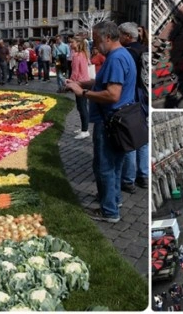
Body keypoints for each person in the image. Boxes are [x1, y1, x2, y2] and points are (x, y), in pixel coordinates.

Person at [65, 21, 137, 223]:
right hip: (119, 120)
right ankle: (114, 200)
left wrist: (83, 92)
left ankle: (109, 211)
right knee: (114, 165)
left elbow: (113, 94)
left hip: (110, 121)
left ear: (107, 37)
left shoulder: (115, 59)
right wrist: (81, 82)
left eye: (96, 40)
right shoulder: (123, 54)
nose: (94, 45)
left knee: (104, 166)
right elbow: (103, 82)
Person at [117, 22, 149, 192]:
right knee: (143, 138)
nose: (118, 38)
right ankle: (143, 176)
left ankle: (128, 179)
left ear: (127, 36)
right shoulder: (145, 49)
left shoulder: (127, 53)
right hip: (145, 98)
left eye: (120, 35)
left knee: (130, 137)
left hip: (132, 97)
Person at [67, 36, 91, 139]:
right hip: (84, 82)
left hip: (80, 83)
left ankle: (85, 130)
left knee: (82, 107)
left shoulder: (77, 55)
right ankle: (83, 128)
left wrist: (70, 82)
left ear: (77, 43)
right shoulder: (83, 54)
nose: (70, 44)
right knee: (82, 106)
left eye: (72, 42)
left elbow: (75, 72)